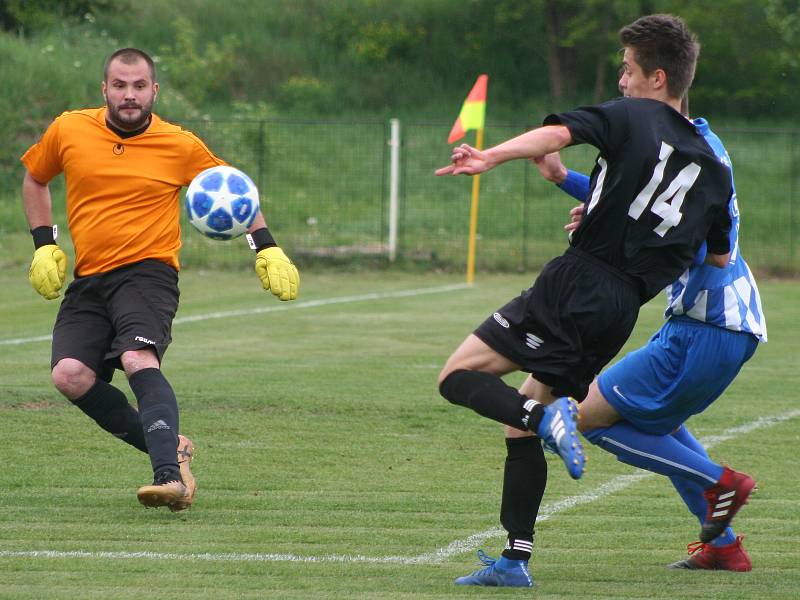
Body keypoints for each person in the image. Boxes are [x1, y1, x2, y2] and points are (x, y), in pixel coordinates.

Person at [434, 14, 744, 587]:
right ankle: (514, 560)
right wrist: (612, 215)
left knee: (457, 378)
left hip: (576, 281)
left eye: (627, 71)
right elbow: (717, 258)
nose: (621, 83)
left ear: (656, 78)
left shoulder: (632, 114)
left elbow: (554, 134)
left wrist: (490, 157)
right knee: (519, 426)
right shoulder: (714, 167)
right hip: (622, 309)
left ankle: (546, 419)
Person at [21, 47, 299, 511]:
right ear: (104, 89)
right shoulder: (69, 128)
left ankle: (168, 478)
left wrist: (266, 247)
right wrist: (44, 243)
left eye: (138, 86)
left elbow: (233, 191)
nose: (129, 96)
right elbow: (35, 179)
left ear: (154, 91)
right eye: (119, 86)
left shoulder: (180, 144)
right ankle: (173, 448)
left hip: (149, 274)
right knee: (69, 376)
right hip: (90, 278)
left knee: (136, 357)